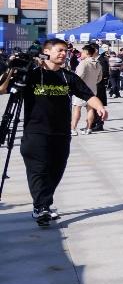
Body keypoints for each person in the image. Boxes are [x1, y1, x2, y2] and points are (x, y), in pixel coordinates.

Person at [0, 39, 108, 226]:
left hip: (61, 133)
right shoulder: (32, 75)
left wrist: (100, 107)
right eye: (59, 50)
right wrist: (12, 68)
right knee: (38, 170)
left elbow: (88, 94)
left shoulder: (68, 77)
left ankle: (43, 205)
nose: (63, 54)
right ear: (46, 52)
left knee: (56, 171)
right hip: (36, 132)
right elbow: (2, 89)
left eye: (65, 51)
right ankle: (41, 207)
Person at [71, 44, 103, 135]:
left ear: (86, 52)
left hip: (81, 90)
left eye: (82, 52)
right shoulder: (98, 63)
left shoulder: (84, 63)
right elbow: (99, 78)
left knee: (77, 108)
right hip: (93, 89)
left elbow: (78, 76)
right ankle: (88, 128)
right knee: (90, 109)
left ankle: (73, 128)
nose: (81, 54)